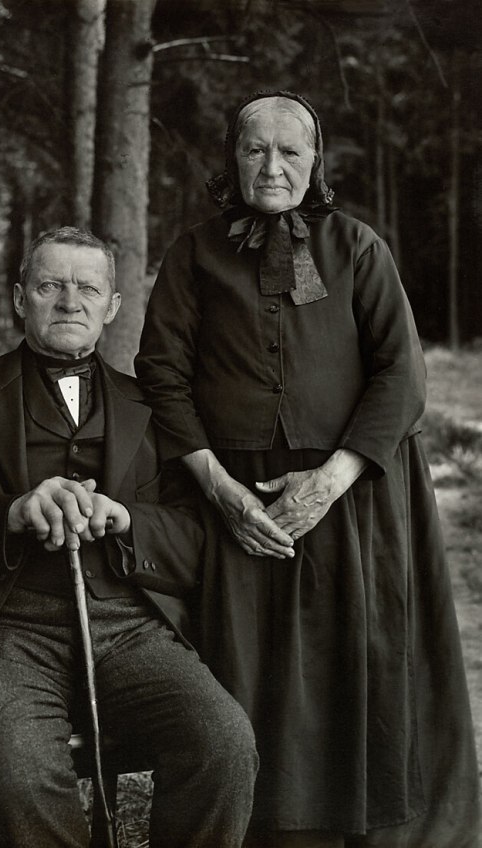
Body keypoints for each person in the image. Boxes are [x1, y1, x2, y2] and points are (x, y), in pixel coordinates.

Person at [135, 91, 480, 847]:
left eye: (291, 151)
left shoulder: (357, 246)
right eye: (256, 149)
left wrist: (331, 480)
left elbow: (403, 371)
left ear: (315, 161)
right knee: (249, 671)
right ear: (232, 158)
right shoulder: (195, 254)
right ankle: (264, 830)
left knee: (354, 658)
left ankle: (368, 827)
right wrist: (218, 489)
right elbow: (161, 372)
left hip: (352, 496)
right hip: (235, 502)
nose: (273, 166)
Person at [0, 227, 258, 848]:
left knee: (224, 745)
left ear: (113, 306)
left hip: (130, 627)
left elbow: (195, 542)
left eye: (87, 288)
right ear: (21, 298)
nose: (70, 301)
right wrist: (10, 513)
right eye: (50, 285)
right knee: (17, 778)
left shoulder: (150, 405)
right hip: (0, 631)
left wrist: (129, 519)